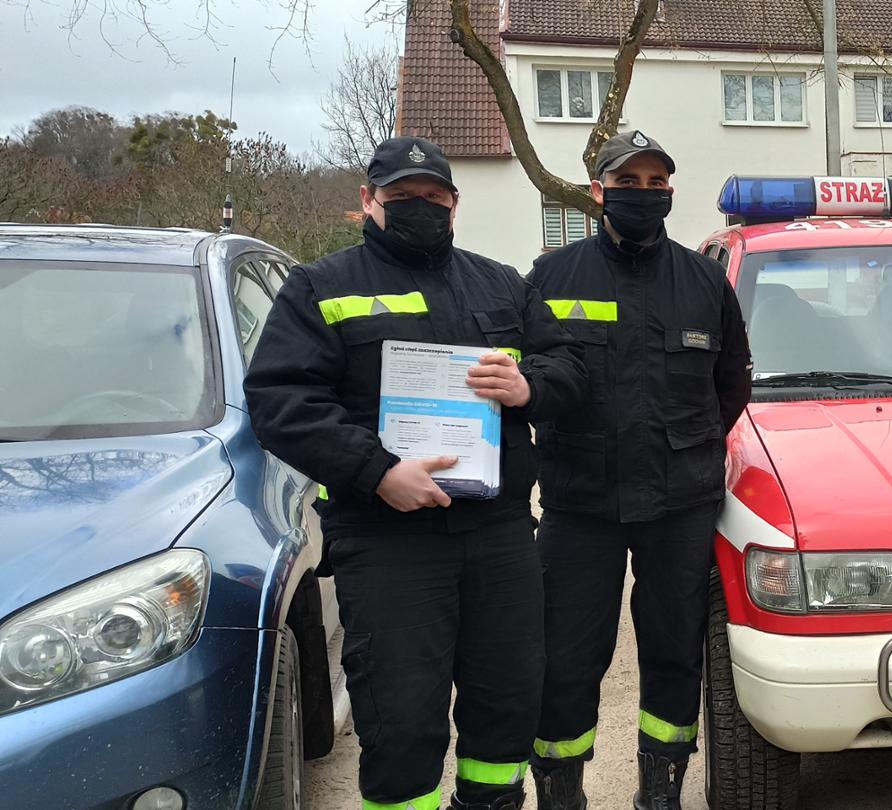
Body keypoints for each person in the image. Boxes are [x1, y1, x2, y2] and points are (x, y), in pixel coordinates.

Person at [245, 136, 587, 810]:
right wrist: (377, 472)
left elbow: (569, 365)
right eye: (401, 196)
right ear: (368, 200)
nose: (419, 207)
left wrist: (529, 387)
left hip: (498, 534)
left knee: (508, 701)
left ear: (454, 204)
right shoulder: (320, 287)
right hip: (387, 538)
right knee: (400, 719)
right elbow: (281, 402)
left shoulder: (500, 284)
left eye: (433, 196)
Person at [524, 129, 751, 810]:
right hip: (579, 505)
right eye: (628, 183)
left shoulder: (704, 281)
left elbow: (730, 384)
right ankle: (562, 791)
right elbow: (529, 376)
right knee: (564, 658)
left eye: (656, 183)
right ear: (599, 191)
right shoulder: (552, 278)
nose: (644, 194)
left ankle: (661, 791)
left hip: (679, 507)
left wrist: (688, 447)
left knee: (675, 652)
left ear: (670, 192)